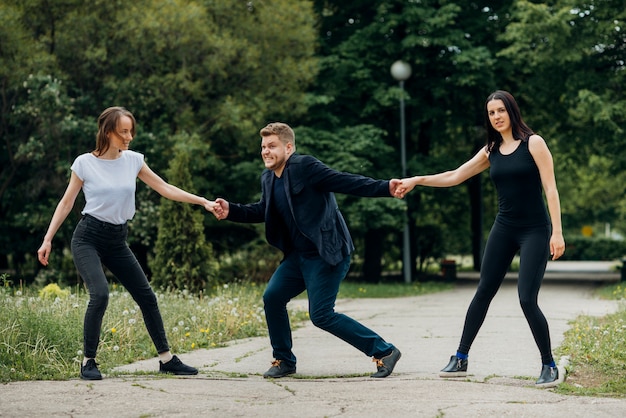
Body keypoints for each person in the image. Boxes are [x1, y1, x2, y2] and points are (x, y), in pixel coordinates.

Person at [396, 90, 566, 388]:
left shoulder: (534, 143)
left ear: (512, 111)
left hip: (535, 230)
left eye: (501, 110)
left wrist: (557, 231)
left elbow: (551, 189)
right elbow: (455, 176)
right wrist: (417, 180)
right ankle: (460, 357)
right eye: (491, 113)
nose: (497, 116)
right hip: (504, 227)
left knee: (526, 298)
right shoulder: (491, 149)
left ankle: (549, 365)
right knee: (483, 290)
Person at [37, 106, 215, 380]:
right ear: (108, 132)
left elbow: (165, 187)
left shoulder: (133, 161)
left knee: (147, 297)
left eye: (131, 131)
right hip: (88, 238)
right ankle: (88, 361)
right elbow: (67, 202)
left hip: (118, 240)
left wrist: (202, 201)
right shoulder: (84, 163)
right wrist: (47, 238)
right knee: (101, 294)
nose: (129, 136)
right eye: (123, 132)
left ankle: (166, 359)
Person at [213, 122, 401, 378]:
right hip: (297, 257)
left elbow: (344, 181)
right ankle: (284, 360)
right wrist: (231, 210)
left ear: (288, 147)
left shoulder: (304, 166)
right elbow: (262, 210)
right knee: (273, 297)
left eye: (272, 146)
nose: (265, 152)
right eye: (263, 147)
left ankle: (384, 351)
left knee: (321, 314)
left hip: (326, 252)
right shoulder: (268, 178)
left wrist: (385, 187)